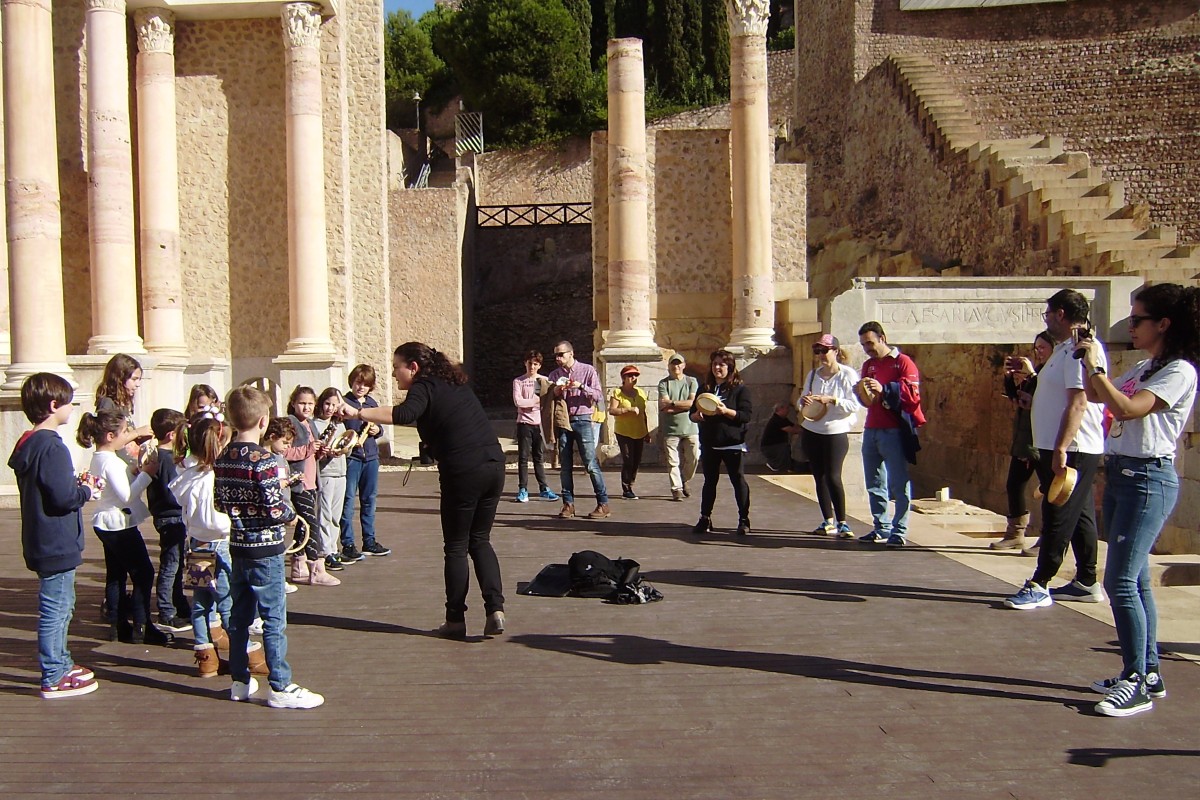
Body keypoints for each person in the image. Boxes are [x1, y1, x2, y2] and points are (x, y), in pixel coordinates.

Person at [1077, 283, 1198, 716]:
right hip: (1123, 475)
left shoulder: (1179, 371)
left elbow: (1129, 408)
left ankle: (1136, 682)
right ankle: (1147, 670)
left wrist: (1097, 370)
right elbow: (1097, 397)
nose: (1131, 324)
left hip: (1149, 479)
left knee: (1120, 581)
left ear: (1162, 324)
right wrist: (1091, 363)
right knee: (1137, 578)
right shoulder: (1146, 365)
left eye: (1138, 318)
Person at [340, 342, 508, 639]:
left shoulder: (424, 385)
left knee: (456, 546)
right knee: (480, 540)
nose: (394, 374)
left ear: (413, 367)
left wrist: (357, 412)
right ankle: (495, 608)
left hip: (463, 469)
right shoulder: (453, 383)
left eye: (396, 367)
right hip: (493, 464)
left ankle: (455, 620)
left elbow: (405, 414)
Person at [215, 386, 324, 709]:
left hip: (238, 544)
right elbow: (275, 508)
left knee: (239, 616)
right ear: (264, 422)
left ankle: (240, 679)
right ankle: (280, 684)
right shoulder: (263, 460)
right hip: (266, 546)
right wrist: (291, 516)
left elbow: (221, 502)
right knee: (273, 618)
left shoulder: (223, 457)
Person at [1005, 290, 1108, 610]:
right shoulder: (1062, 350)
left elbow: (1079, 402)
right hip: (1055, 446)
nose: (1046, 319)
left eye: (1048, 313)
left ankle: (1040, 582)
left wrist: (1062, 448)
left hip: (1072, 447)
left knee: (1057, 514)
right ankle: (1087, 580)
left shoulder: (1081, 349)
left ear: (1061, 313)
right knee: (1080, 516)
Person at [9, 373, 101, 699]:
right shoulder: (51, 447)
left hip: (41, 538)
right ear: (53, 405)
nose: (72, 407)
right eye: (68, 401)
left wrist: (74, 485)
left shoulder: (29, 443)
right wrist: (86, 490)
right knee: (56, 609)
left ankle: (61, 661)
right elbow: (63, 498)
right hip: (55, 541)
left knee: (63, 604)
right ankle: (53, 674)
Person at [170, 409, 268, 679]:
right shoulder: (214, 479)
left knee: (201, 603)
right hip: (219, 545)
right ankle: (248, 655)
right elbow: (217, 520)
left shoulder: (188, 475)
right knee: (228, 603)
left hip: (196, 544)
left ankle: (206, 658)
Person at [77, 408, 171, 646]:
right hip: (117, 523)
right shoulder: (110, 461)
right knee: (144, 572)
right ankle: (142, 624)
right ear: (110, 436)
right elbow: (127, 495)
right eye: (124, 431)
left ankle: (119, 625)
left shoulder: (100, 458)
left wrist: (133, 472)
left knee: (116, 574)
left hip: (107, 521)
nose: (128, 434)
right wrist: (148, 474)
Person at [857, 321, 926, 548]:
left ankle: (900, 529)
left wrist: (884, 389)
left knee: (898, 482)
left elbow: (912, 395)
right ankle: (881, 526)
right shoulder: (868, 365)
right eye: (864, 344)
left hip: (893, 429)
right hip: (872, 427)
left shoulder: (902, 362)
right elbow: (867, 399)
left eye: (870, 342)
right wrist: (861, 391)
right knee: (874, 481)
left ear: (882, 338)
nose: (867, 348)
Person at [992, 331, 1054, 551]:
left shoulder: (1051, 375)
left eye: (1043, 348)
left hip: (1043, 441)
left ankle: (1048, 538)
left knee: (1049, 490)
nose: (1039, 353)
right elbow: (1019, 399)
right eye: (1036, 348)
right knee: (1014, 485)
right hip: (1025, 440)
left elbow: (1048, 399)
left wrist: (1032, 377)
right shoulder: (1038, 374)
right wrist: (1010, 378)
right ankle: (1015, 532)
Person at [799, 335, 861, 537]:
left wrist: (832, 399)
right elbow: (802, 400)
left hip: (835, 431)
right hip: (812, 429)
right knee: (819, 477)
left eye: (825, 350)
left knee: (833, 476)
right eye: (817, 351)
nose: (821, 355)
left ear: (835, 351)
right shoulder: (814, 374)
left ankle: (843, 521)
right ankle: (828, 520)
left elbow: (854, 405)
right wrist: (805, 402)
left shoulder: (847, 375)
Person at [690, 350, 753, 536]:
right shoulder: (705, 388)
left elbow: (746, 416)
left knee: (738, 481)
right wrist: (696, 416)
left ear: (730, 367)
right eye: (715, 364)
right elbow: (693, 412)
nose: (717, 368)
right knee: (709, 482)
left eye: (722, 365)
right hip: (710, 442)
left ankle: (743, 519)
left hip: (732, 443)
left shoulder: (740, 389)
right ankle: (705, 517)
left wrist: (726, 412)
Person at [547, 340, 610, 519]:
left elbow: (598, 395)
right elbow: (545, 396)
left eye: (561, 354)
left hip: (583, 418)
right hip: (563, 420)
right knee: (565, 466)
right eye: (556, 355)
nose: (558, 358)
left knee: (590, 463)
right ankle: (568, 504)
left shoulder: (588, 370)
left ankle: (603, 503)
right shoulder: (554, 375)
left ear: (571, 353)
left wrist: (581, 386)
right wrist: (556, 391)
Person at [284, 386, 339, 587]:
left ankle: (298, 566)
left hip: (311, 481)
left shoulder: (311, 425)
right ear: (293, 403)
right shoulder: (290, 423)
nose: (306, 407)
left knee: (303, 526)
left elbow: (312, 455)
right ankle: (317, 567)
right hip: (298, 482)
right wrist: (308, 449)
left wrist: (321, 451)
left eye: (309, 403)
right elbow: (284, 452)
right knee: (311, 524)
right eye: (302, 403)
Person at [339, 364, 391, 560]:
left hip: (370, 458)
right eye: (358, 382)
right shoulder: (344, 403)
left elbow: (380, 427)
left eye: (365, 384)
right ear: (352, 382)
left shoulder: (372, 403)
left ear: (370, 387)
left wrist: (378, 431)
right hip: (351, 458)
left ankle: (369, 541)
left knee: (369, 501)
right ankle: (348, 544)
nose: (361, 387)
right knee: (348, 502)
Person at [146, 408, 191, 632]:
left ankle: (178, 602)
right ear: (173, 435)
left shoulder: (162, 457)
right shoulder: (165, 460)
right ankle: (166, 610)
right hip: (170, 517)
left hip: (171, 516)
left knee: (176, 562)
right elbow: (170, 492)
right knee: (171, 564)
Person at [314, 387, 356, 570]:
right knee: (325, 513)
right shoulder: (314, 424)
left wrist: (346, 447)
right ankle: (325, 551)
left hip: (341, 472)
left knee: (336, 515)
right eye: (327, 404)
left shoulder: (339, 424)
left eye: (334, 405)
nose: (330, 408)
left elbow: (346, 446)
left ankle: (333, 548)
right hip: (325, 473)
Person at [511, 350, 557, 503]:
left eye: (535, 364)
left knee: (538, 456)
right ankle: (523, 489)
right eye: (530, 363)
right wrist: (535, 402)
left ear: (539, 365)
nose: (532, 366)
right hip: (524, 423)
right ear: (525, 363)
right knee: (523, 457)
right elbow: (519, 402)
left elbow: (546, 400)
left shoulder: (543, 380)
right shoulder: (518, 381)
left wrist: (532, 402)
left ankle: (544, 488)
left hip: (539, 423)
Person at [658, 353, 699, 501]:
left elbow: (692, 403)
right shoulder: (664, 383)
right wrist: (685, 405)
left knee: (694, 456)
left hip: (691, 427)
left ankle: (685, 479)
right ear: (669, 366)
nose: (676, 366)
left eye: (679, 363)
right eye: (673, 364)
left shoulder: (691, 381)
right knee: (672, 461)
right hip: (671, 429)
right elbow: (664, 406)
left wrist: (673, 404)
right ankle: (676, 489)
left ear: (684, 365)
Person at [608, 365, 650, 500]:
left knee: (636, 461)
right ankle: (626, 489)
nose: (634, 378)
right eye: (631, 375)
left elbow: (644, 414)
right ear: (624, 378)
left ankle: (631, 483)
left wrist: (647, 431)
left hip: (639, 431)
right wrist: (628, 410)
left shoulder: (641, 393)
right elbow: (612, 410)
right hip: (623, 431)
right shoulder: (617, 393)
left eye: (636, 375)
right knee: (628, 459)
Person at [94, 353, 152, 442]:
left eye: (139, 380)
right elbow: (107, 439)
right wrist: (137, 432)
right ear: (120, 379)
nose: (138, 384)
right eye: (134, 379)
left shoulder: (122, 403)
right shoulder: (107, 403)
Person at [760, 402, 802, 472]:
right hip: (771, 447)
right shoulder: (777, 420)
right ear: (780, 409)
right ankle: (775, 465)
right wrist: (807, 431)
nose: (788, 411)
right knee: (784, 449)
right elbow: (792, 430)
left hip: (777, 445)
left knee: (786, 448)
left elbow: (794, 426)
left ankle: (787, 466)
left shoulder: (783, 419)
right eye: (787, 408)